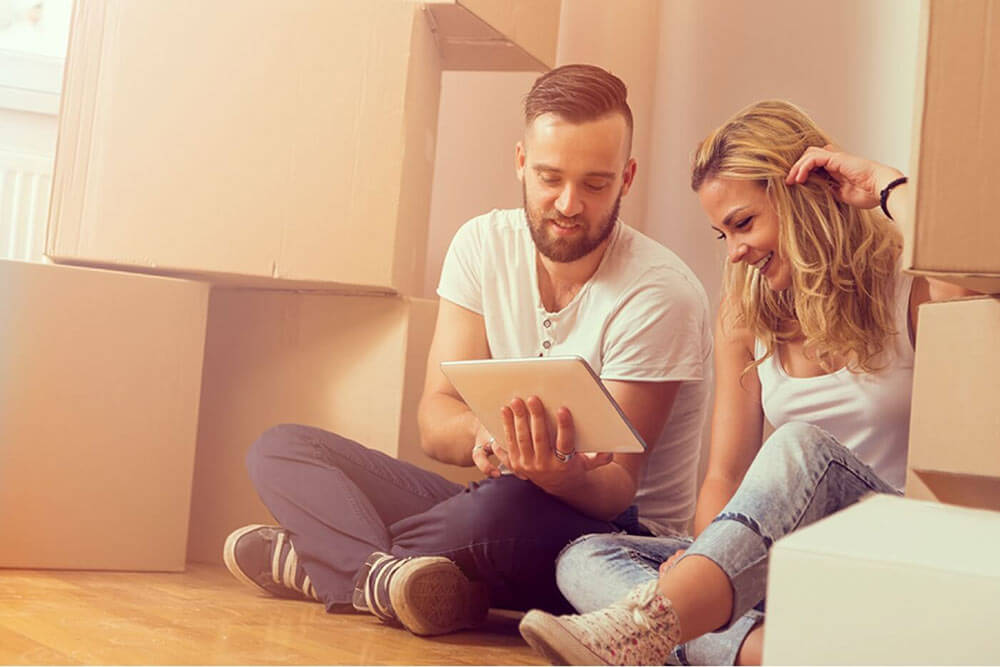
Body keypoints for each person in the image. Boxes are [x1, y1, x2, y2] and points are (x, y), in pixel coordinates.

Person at [221, 64, 712, 639]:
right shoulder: (481, 245)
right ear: (521, 162)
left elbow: (616, 489)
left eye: (596, 184)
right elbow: (436, 419)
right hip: (499, 500)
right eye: (550, 177)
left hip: (615, 540)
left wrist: (554, 475)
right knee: (282, 449)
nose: (569, 203)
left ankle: (327, 560)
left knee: (496, 510)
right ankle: (386, 577)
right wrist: (486, 436)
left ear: (627, 179)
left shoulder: (660, 292)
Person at [517, 99, 977, 665]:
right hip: (793, 562)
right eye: (722, 235)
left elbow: (976, 274)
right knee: (586, 556)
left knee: (802, 445)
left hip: (897, 548)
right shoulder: (744, 314)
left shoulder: (913, 290)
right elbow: (724, 477)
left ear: (804, 201)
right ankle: (784, 655)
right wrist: (706, 552)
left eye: (743, 223)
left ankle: (651, 627)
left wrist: (885, 185)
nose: (736, 251)